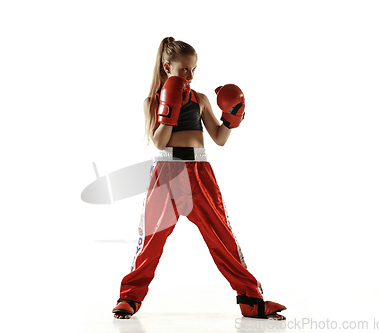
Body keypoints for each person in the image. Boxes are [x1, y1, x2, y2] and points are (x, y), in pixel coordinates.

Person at [112, 37, 286, 320]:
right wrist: (169, 109)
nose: (190, 76)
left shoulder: (201, 99)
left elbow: (219, 139)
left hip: (200, 172)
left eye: (194, 70)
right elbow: (158, 142)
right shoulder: (152, 101)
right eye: (184, 70)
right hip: (166, 172)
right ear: (168, 67)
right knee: (151, 240)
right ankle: (129, 298)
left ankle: (252, 301)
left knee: (222, 237)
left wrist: (231, 118)